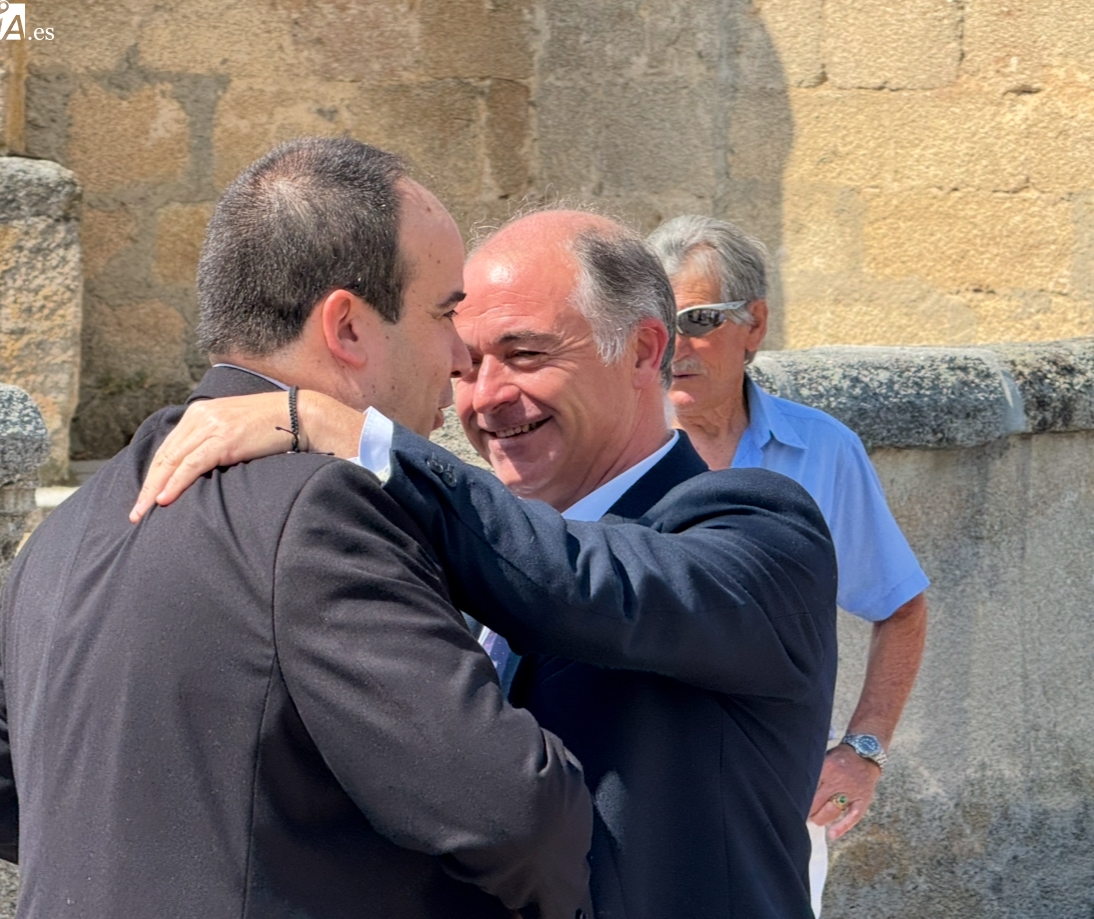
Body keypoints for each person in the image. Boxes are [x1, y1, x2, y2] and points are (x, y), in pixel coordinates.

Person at [0, 138, 595, 919]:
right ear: (347, 327)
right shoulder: (321, 510)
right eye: (443, 313)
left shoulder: (76, 519)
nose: (461, 357)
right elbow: (516, 813)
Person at [132, 209, 840, 919]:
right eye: (466, 365)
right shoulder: (462, 550)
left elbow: (583, 583)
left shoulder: (759, 532)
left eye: (525, 354)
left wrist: (355, 435)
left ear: (642, 350)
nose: (486, 397)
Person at [646, 214, 930, 914]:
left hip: (778, 803)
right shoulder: (615, 449)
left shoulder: (823, 451)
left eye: (699, 319)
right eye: (658, 323)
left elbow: (901, 606)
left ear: (756, 324)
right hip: (635, 790)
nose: (675, 345)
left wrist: (863, 751)